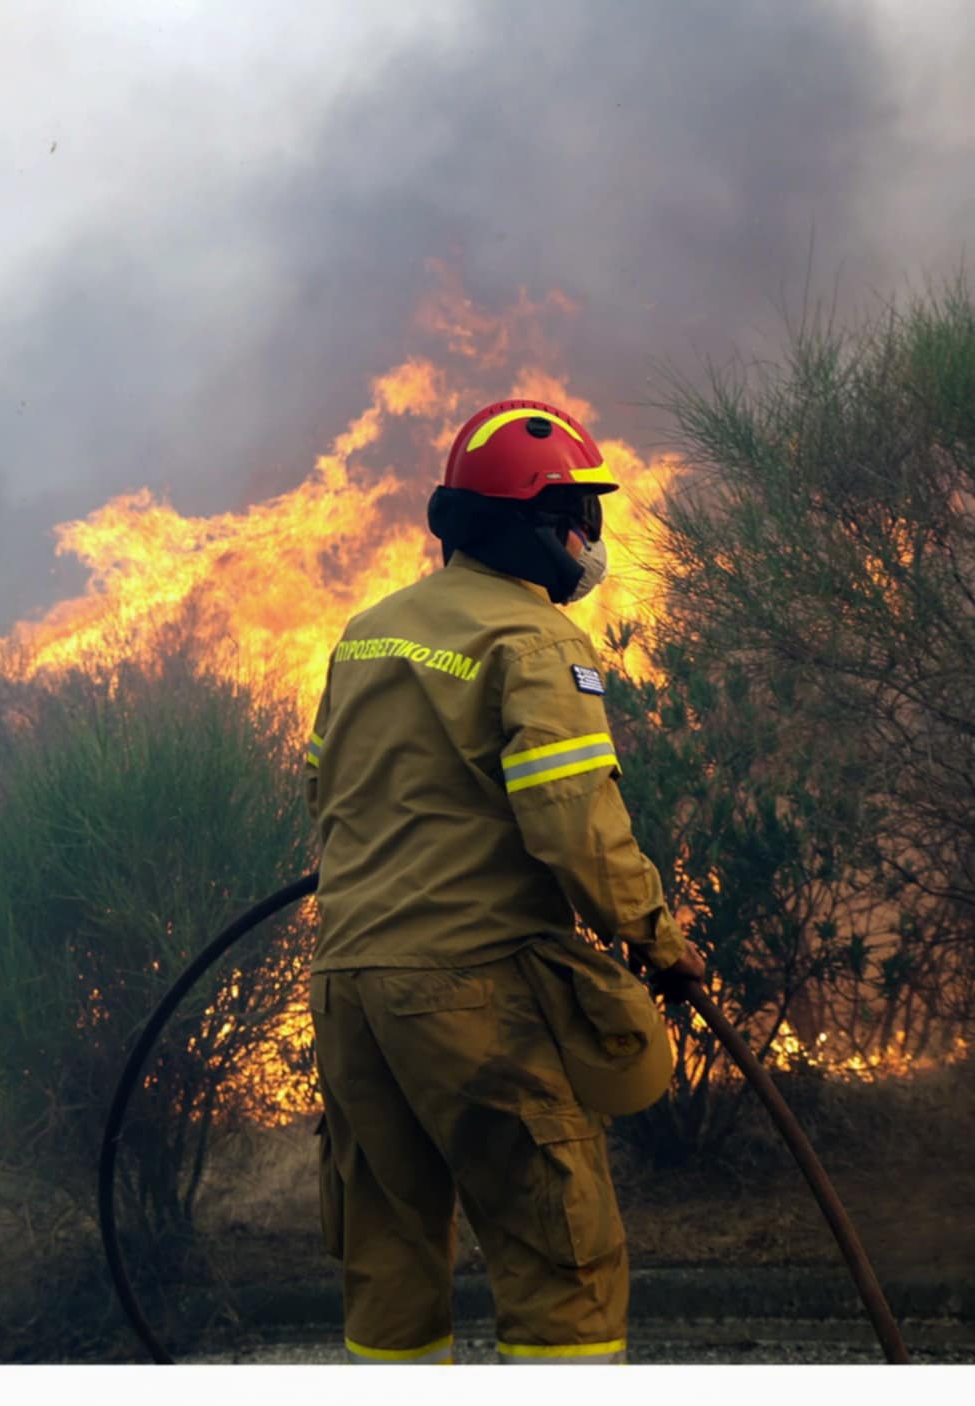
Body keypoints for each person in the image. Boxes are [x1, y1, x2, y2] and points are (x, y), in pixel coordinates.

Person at [302, 397, 706, 1365]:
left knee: (389, 1271)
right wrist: (660, 940)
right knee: (560, 1258)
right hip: (467, 990)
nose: (586, 540)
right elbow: (574, 825)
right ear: (535, 527)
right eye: (576, 516)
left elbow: (322, 784)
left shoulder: (365, 632)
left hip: (348, 990)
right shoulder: (533, 641)